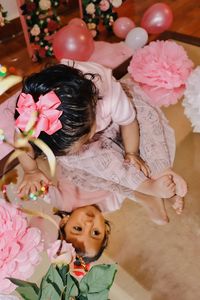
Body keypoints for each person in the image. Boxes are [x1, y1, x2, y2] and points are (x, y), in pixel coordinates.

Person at [14, 61, 187, 236]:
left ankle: (162, 171)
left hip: (123, 118)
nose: (88, 223)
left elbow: (129, 122)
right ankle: (149, 188)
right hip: (96, 162)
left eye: (86, 138)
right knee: (91, 161)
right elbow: (21, 140)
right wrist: (30, 171)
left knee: (147, 120)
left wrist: (131, 152)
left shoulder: (109, 96)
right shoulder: (31, 116)